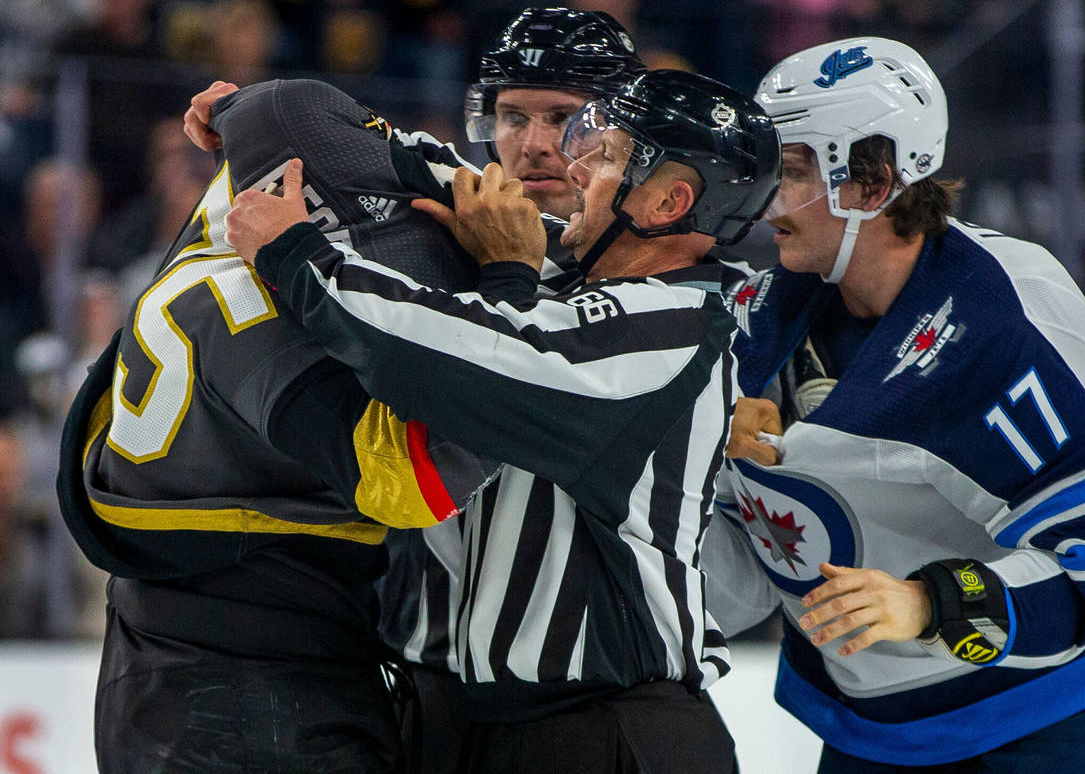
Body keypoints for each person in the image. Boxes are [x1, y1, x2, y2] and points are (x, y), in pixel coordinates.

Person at [225, 67, 781, 774]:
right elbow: (465, 186)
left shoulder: (665, 329)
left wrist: (295, 256)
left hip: (614, 737)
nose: (575, 167)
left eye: (606, 157)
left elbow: (440, 355)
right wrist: (256, 114)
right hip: (516, 730)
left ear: (670, 201)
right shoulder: (588, 283)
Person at [702, 37, 1085, 772]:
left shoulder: (1001, 318)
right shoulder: (760, 321)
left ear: (872, 183)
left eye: (794, 170)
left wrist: (935, 603)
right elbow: (750, 573)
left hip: (1057, 732)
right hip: (871, 733)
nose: (766, 200)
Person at [57, 77, 501, 773]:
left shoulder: (228, 210)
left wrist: (242, 114)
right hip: (254, 689)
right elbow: (410, 483)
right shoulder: (264, 319)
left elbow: (281, 142)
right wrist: (508, 293)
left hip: (157, 660)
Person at [378, 6, 647, 773]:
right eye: (511, 115)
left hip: (593, 705)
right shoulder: (426, 248)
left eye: (563, 118)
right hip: (425, 682)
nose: (532, 144)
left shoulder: (667, 285)